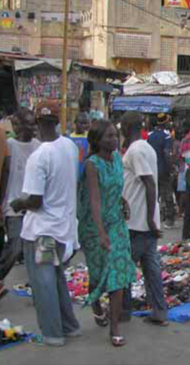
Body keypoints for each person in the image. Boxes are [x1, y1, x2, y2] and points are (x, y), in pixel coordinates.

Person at [10, 100, 80, 346]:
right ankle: (70, 326)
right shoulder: (69, 147)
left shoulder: (39, 157)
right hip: (62, 230)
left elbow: (35, 201)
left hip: (42, 233)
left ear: (38, 123)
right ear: (59, 122)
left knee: (44, 283)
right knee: (57, 278)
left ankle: (52, 334)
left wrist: (19, 203)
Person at [78, 120, 137, 347]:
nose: (114, 140)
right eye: (109, 136)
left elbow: (114, 187)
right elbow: (94, 200)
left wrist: (123, 202)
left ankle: (114, 328)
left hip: (118, 224)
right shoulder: (92, 164)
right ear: (97, 140)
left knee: (118, 275)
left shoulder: (118, 161)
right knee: (97, 274)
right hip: (94, 227)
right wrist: (101, 233)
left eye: (116, 135)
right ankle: (95, 304)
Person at [120, 111, 169, 327]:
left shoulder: (136, 150)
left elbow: (149, 183)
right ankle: (159, 310)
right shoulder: (145, 148)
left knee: (124, 268)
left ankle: (123, 311)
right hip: (143, 220)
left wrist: (149, 219)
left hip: (137, 222)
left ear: (125, 127)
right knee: (151, 269)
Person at [0, 109, 41, 295]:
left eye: (30, 124)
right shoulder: (9, 145)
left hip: (34, 204)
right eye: (17, 124)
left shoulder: (38, 146)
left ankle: (38, 283)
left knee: (37, 247)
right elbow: (4, 173)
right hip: (13, 203)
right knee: (15, 246)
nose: (19, 128)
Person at [147, 113, 176, 229]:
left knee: (155, 194)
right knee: (167, 193)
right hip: (163, 169)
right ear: (165, 123)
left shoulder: (150, 136)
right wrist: (171, 167)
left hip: (152, 168)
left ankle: (154, 217)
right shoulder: (166, 136)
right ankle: (169, 219)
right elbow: (167, 153)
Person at [69, 112, 91, 181]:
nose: (84, 126)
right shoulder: (69, 138)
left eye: (86, 123)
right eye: (81, 123)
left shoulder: (90, 138)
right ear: (75, 123)